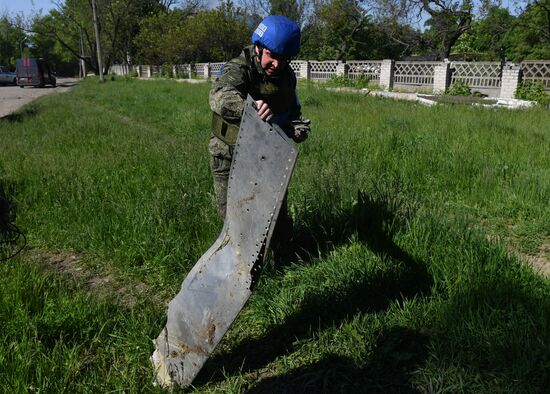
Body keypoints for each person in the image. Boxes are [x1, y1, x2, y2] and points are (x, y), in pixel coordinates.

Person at [208, 15, 310, 263]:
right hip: (229, 155)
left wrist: (297, 128)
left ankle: (282, 263)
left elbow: (293, 113)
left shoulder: (287, 77)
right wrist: (250, 109)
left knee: (277, 216)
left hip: (268, 155)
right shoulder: (238, 68)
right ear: (258, 48)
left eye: (284, 59)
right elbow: (220, 97)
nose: (277, 64)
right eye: (271, 56)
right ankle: (236, 270)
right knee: (233, 218)